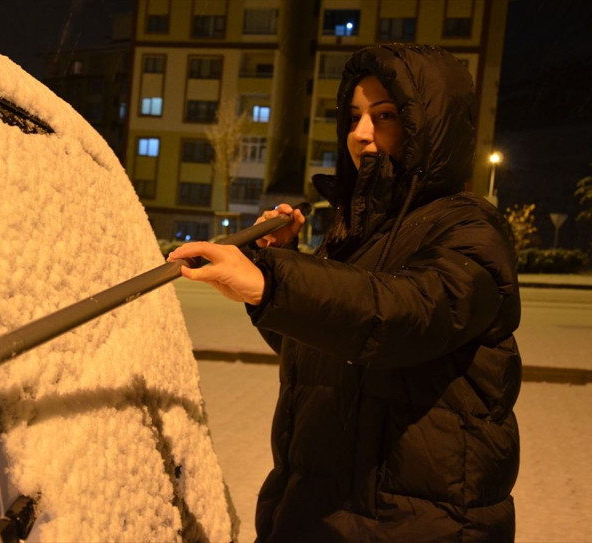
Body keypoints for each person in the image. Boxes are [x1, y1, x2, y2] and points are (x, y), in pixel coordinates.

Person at [168, 44, 521, 542]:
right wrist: (277, 271)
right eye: (354, 117)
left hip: (418, 526)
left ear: (431, 128)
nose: (360, 134)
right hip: (320, 513)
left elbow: (401, 316)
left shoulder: (471, 231)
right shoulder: (356, 234)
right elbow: (328, 356)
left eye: (386, 116)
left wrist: (277, 282)